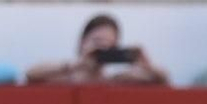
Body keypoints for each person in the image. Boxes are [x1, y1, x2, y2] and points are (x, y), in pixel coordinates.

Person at [25, 14, 167, 86]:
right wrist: (77, 64)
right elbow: (31, 74)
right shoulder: (65, 78)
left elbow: (162, 79)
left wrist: (145, 63)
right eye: (97, 41)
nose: (103, 47)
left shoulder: (116, 80)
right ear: (82, 42)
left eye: (110, 44)